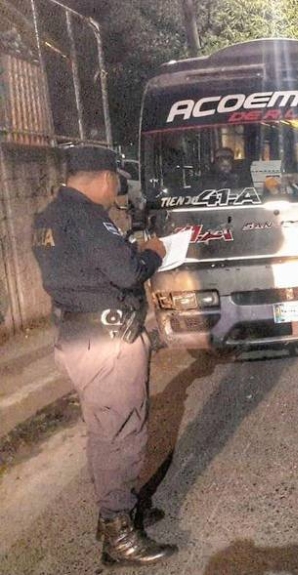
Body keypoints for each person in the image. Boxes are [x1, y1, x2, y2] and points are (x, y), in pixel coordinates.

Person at [31, 146, 176, 567]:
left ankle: (121, 509)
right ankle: (118, 530)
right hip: (106, 340)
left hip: (77, 335)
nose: (116, 188)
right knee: (121, 433)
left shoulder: (47, 218)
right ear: (101, 178)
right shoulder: (88, 219)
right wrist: (155, 252)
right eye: (115, 179)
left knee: (104, 430)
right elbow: (128, 272)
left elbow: (81, 268)